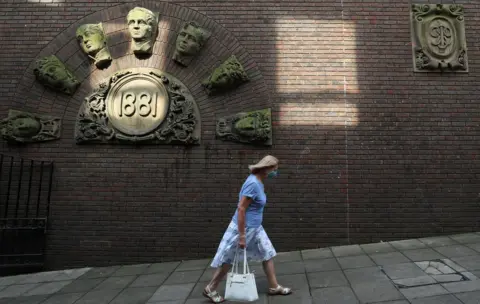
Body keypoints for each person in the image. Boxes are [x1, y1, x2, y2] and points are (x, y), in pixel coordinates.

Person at [203, 155, 292, 303]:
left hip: (256, 227)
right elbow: (241, 208)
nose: (275, 172)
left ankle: (274, 286)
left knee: (267, 252)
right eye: (274, 169)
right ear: (266, 168)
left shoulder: (258, 181)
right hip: (246, 228)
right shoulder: (253, 184)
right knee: (228, 259)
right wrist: (242, 235)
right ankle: (211, 288)